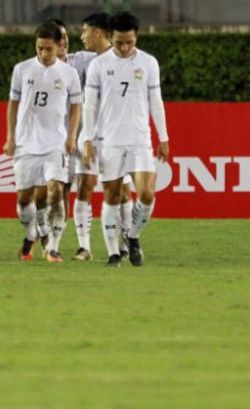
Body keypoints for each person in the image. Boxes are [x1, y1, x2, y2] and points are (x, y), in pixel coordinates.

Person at [81, 12, 170, 267]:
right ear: (110, 37)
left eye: (129, 42)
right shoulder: (98, 65)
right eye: (119, 42)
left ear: (136, 37)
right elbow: (89, 105)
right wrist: (88, 138)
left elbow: (156, 101)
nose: (124, 47)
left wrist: (163, 136)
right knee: (111, 195)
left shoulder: (149, 63)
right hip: (109, 140)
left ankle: (132, 236)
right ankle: (112, 254)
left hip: (140, 139)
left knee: (147, 194)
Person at [3, 21, 82, 262]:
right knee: (25, 199)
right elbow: (13, 105)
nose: (44, 54)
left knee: (56, 191)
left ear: (59, 46)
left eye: (48, 49)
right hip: (26, 144)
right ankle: (32, 234)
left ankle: (53, 247)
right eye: (39, 48)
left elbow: (76, 106)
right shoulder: (22, 69)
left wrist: (70, 137)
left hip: (55, 144)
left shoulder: (70, 73)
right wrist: (10, 137)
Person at [69, 12, 134, 261]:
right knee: (84, 187)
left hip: (117, 137)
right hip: (89, 135)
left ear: (97, 32)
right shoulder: (83, 60)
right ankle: (84, 247)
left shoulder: (123, 59)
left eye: (85, 31)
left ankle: (126, 240)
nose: (82, 36)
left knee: (121, 192)